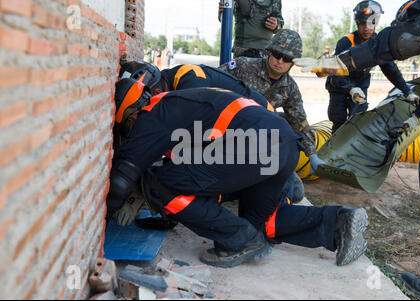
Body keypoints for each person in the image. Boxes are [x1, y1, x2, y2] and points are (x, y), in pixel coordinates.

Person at [108, 78, 369, 268]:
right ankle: (338, 223)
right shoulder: (178, 103)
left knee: (158, 184)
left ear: (128, 114)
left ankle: (238, 240)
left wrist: (105, 215)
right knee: (258, 223)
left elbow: (123, 177)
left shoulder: (150, 114)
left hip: (255, 147)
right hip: (284, 145)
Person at [294, 0, 420, 300]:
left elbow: (396, 47)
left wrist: (345, 63)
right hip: (344, 97)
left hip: (358, 92)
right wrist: (416, 114)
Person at [117, 60, 304, 208]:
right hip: (244, 125)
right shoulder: (175, 83)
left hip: (261, 125)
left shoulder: (189, 82)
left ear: (157, 87)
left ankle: (284, 187)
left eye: (156, 92)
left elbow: (189, 140)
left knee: (283, 193)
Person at [219, 29, 325, 174]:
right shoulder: (243, 65)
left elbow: (299, 122)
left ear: (293, 62)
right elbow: (212, 81)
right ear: (269, 51)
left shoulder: (290, 88)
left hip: (258, 141)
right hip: (226, 131)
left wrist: (312, 156)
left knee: (295, 190)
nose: (280, 61)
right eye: (277, 55)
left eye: (286, 58)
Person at [325, 1, 417, 134]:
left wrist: (408, 91)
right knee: (338, 120)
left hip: (361, 85)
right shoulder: (346, 42)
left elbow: (390, 69)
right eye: (363, 24)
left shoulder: (378, 43)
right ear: (357, 23)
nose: (367, 28)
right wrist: (351, 88)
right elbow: (336, 72)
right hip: (339, 85)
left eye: (371, 23)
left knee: (357, 121)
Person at [218, 0, 284, 58]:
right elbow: (225, 19)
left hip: (265, 51)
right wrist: (223, 14)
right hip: (242, 50)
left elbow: (280, 23)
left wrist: (276, 25)